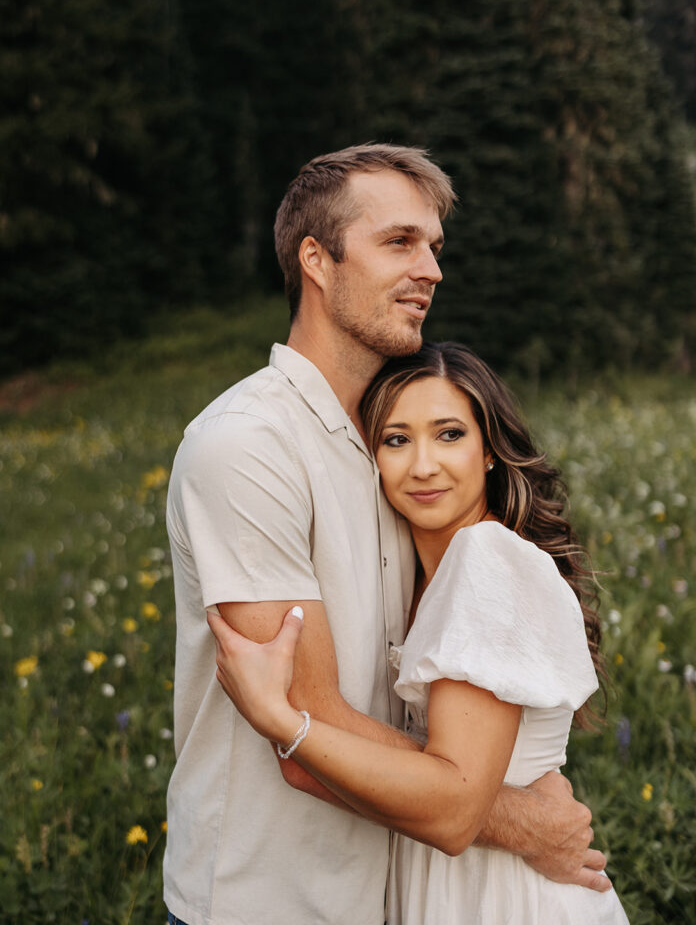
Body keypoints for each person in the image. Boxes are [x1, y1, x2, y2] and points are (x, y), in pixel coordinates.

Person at [163, 143, 610, 925]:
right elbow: (306, 728)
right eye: (399, 242)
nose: (432, 269)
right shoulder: (248, 444)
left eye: (435, 247)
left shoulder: (385, 452)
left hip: (393, 894)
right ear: (317, 259)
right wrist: (514, 817)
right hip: (268, 900)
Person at [207, 341, 630, 924]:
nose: (423, 465)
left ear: (489, 451)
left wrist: (282, 721)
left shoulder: (486, 560)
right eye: (397, 439)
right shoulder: (423, 575)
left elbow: (455, 799)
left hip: (502, 896)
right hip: (452, 878)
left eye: (450, 434)